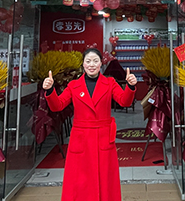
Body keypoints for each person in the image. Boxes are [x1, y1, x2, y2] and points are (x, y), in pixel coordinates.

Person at [43, 48, 136, 201]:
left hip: (103, 138)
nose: (91, 64)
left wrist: (130, 87)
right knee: (79, 180)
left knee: (105, 179)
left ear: (101, 64)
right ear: (83, 64)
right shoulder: (73, 85)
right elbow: (57, 106)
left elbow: (124, 101)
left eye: (95, 61)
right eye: (88, 61)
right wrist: (50, 90)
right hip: (81, 139)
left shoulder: (110, 83)